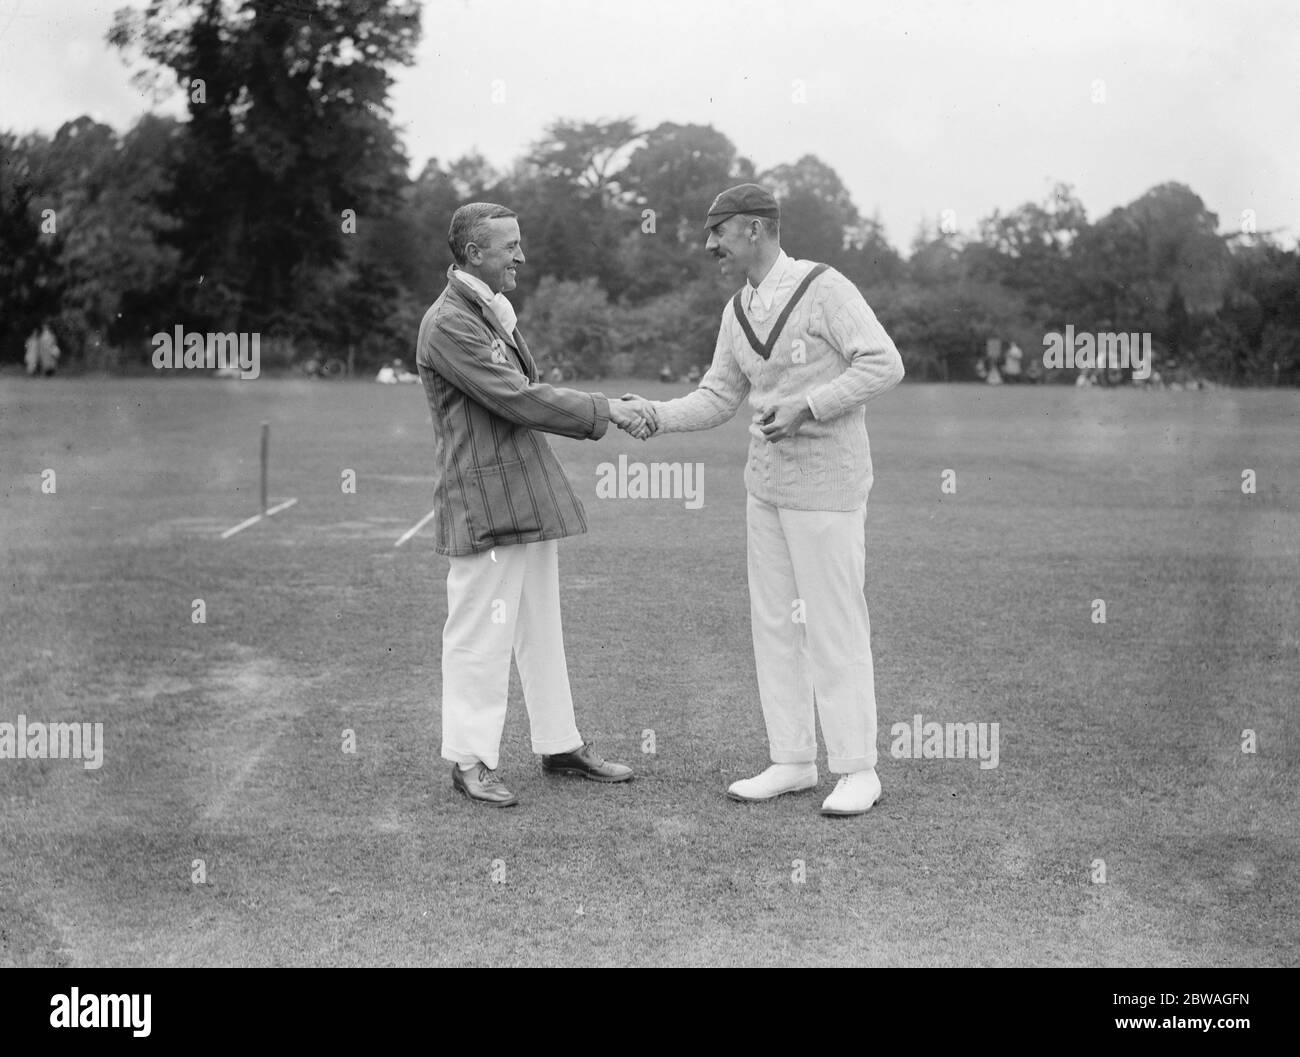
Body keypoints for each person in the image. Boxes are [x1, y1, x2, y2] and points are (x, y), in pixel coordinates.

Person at [632, 184, 904, 816]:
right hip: (767, 491)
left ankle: (859, 769)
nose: (708, 246)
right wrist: (654, 415)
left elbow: (883, 363)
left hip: (829, 487)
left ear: (754, 230)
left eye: (717, 232)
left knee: (833, 623)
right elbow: (719, 395)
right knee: (777, 623)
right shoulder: (737, 310)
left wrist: (810, 404)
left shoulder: (827, 288)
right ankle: (792, 760)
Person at [415, 202, 652, 808]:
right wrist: (606, 410)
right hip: (484, 501)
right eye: (509, 246)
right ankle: (469, 761)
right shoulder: (449, 323)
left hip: (523, 492)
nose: (521, 255)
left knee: (540, 628)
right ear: (474, 254)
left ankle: (560, 744)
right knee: (478, 635)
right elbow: (516, 398)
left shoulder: (487, 311)